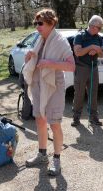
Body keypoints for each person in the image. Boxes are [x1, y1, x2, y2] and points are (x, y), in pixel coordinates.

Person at [23, 9, 75, 176]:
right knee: (39, 120)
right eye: (36, 23)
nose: (37, 27)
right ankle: (42, 154)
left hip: (53, 86)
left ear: (51, 23)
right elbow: (36, 62)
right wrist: (30, 56)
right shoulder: (40, 40)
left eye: (40, 23)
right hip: (39, 84)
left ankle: (57, 160)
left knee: (54, 123)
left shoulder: (60, 41)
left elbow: (71, 66)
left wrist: (50, 63)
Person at [71, 15, 103, 127]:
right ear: (92, 26)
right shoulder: (80, 36)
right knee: (79, 94)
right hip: (81, 68)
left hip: (94, 68)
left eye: (100, 28)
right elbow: (78, 52)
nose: (99, 30)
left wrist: (96, 50)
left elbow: (102, 54)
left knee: (93, 94)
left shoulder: (99, 38)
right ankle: (76, 118)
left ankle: (93, 117)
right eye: (99, 28)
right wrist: (91, 47)